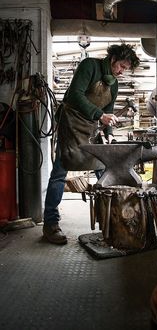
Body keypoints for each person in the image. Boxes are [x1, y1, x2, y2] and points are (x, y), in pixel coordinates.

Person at [43, 43, 140, 244]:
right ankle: (50, 224)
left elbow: (109, 112)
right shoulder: (90, 66)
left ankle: (112, 219)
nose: (121, 72)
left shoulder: (113, 84)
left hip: (91, 127)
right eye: (121, 66)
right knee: (61, 170)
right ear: (112, 59)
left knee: (105, 171)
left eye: (125, 69)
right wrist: (99, 115)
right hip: (70, 122)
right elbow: (75, 95)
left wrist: (110, 133)